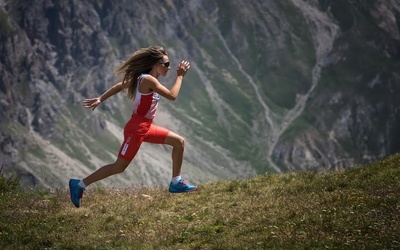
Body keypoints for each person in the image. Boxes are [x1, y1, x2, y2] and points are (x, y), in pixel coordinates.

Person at [69, 45, 197, 208]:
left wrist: (101, 98)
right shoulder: (148, 79)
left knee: (179, 142)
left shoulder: (142, 78)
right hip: (137, 129)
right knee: (119, 167)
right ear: (155, 65)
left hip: (145, 126)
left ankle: (176, 182)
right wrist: (180, 76)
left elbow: (119, 86)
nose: (169, 67)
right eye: (166, 64)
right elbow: (172, 96)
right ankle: (79, 184)